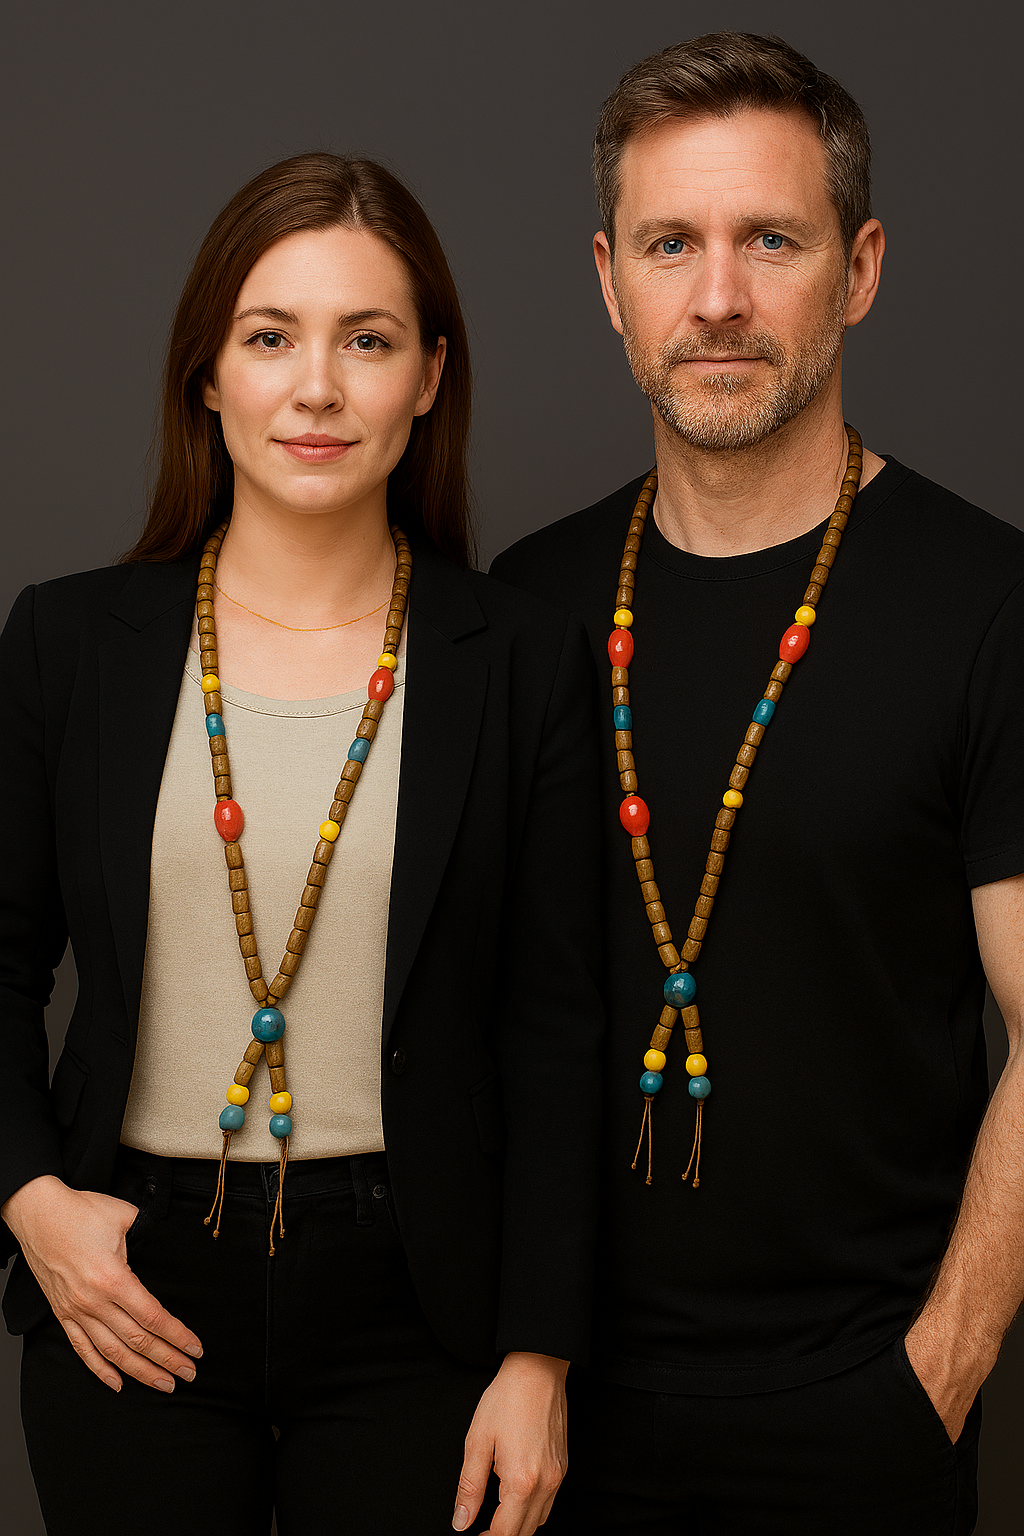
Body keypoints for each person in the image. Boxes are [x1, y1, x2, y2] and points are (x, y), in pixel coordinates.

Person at [0, 151, 603, 1536]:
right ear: (207, 376)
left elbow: (557, 1029)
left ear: (431, 376)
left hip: (422, 1312)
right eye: (270, 337)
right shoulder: (71, 642)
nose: (317, 388)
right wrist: (32, 1200)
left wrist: (539, 1352)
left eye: (368, 341)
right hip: (129, 1286)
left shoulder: (519, 659)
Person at [490, 31, 1024, 1536]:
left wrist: (945, 1364)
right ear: (610, 280)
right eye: (672, 243)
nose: (717, 297)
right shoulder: (530, 602)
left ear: (856, 270)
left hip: (865, 1413)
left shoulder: (989, 602)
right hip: (552, 1418)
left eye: (769, 240)